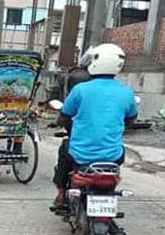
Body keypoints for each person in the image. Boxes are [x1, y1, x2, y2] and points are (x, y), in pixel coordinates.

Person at [52, 43, 138, 208]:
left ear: (94, 63)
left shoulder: (80, 90)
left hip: (81, 154)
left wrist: (61, 123)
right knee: (121, 150)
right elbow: (131, 120)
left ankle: (61, 194)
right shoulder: (127, 92)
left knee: (65, 149)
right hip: (113, 156)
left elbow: (64, 117)